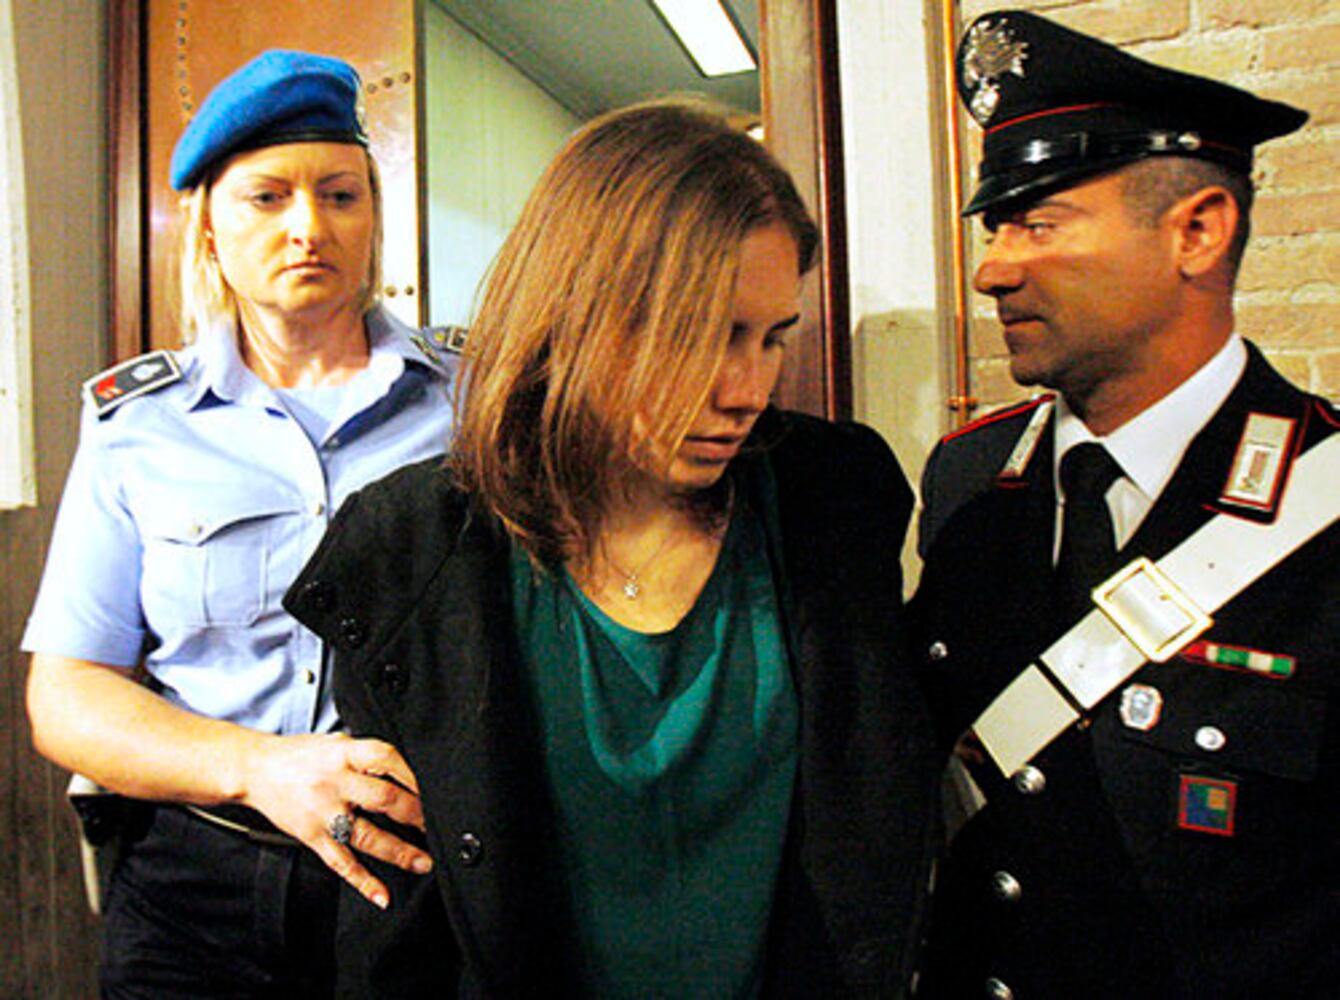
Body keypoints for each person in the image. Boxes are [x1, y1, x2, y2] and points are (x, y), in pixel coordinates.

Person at [284, 99, 941, 997]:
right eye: (701, 335)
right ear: (577, 313)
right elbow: (403, 919)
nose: (746, 389)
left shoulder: (832, 501)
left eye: (771, 339)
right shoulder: (416, 550)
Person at [911, 10, 1338, 999]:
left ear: (1196, 231)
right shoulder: (969, 479)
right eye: (994, 227)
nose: (991, 268)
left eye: (1038, 223)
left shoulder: (1322, 499)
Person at [23, 49, 457, 996]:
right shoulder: (138, 425)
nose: (309, 227)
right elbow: (68, 694)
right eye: (267, 197)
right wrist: (259, 768)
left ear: (373, 217)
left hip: (414, 877)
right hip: (194, 891)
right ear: (209, 228)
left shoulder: (466, 405)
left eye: (340, 195)